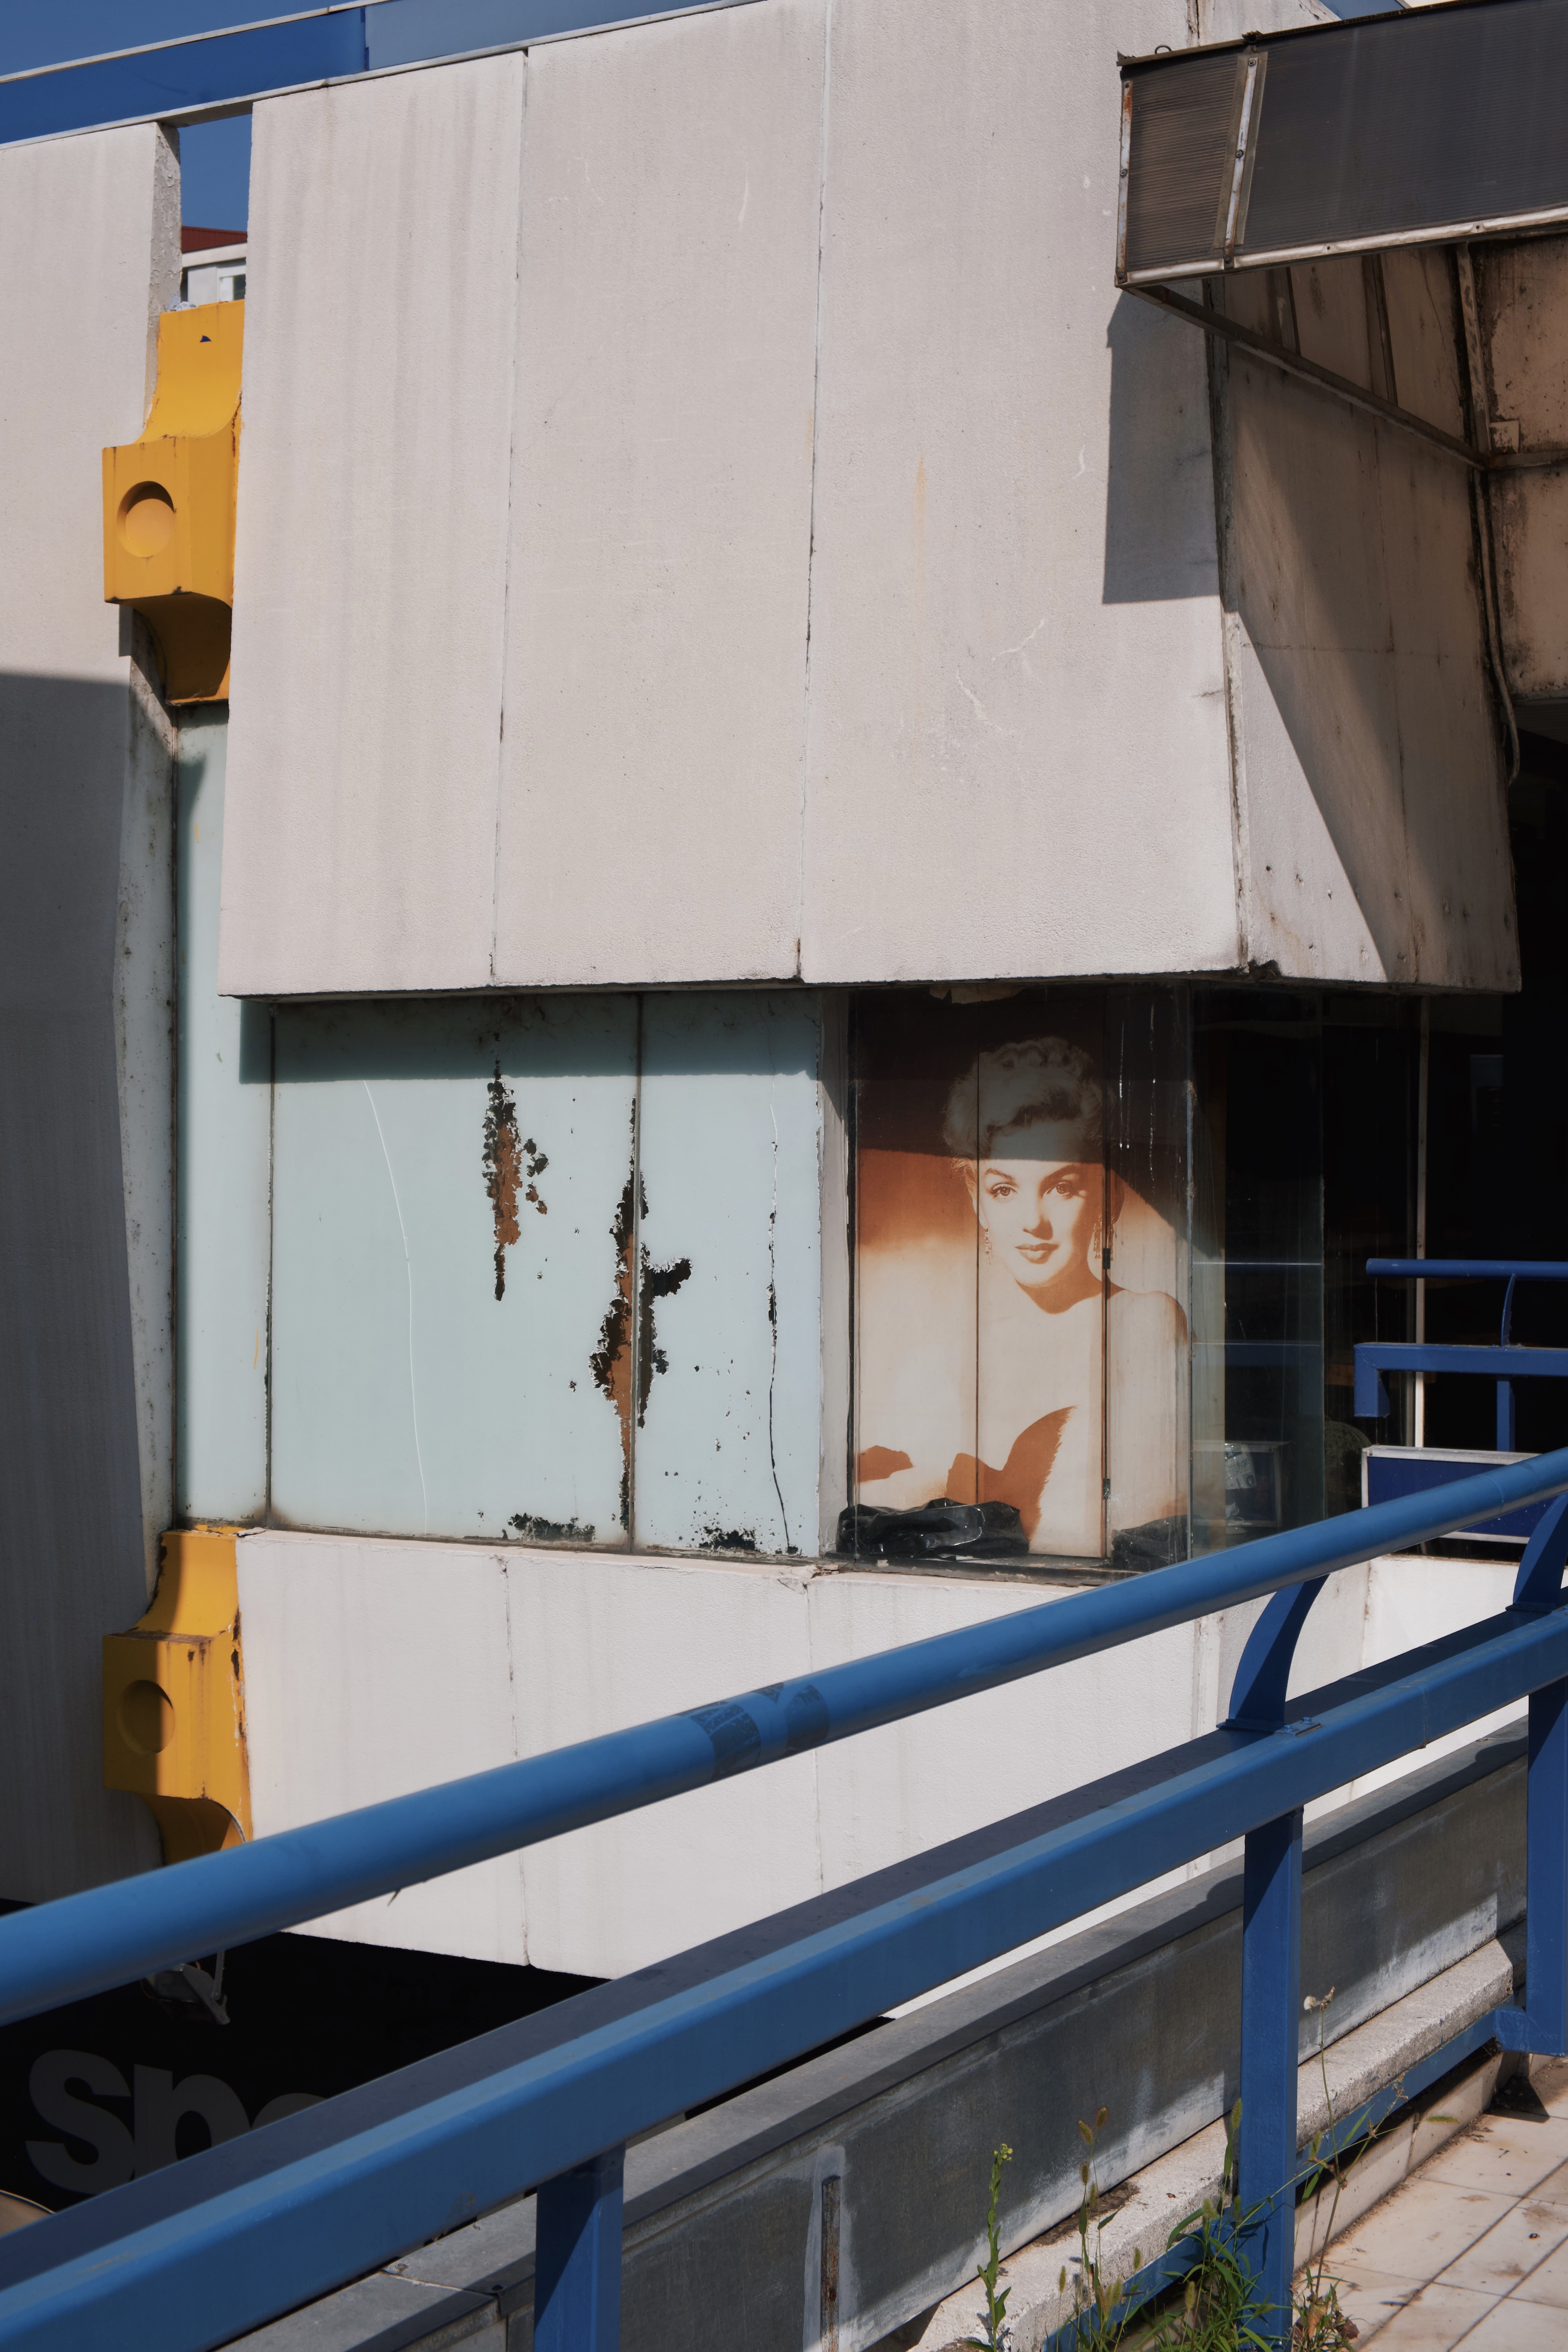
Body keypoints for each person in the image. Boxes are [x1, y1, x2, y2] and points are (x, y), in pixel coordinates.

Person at [856, 1038, 1187, 1557]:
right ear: (976, 1200)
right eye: (1005, 1190)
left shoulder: (1142, 1322)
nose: (1033, 1223)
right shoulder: (944, 1355)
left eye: (1062, 1187)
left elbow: (1139, 1533)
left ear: (1104, 1195)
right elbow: (883, 1523)